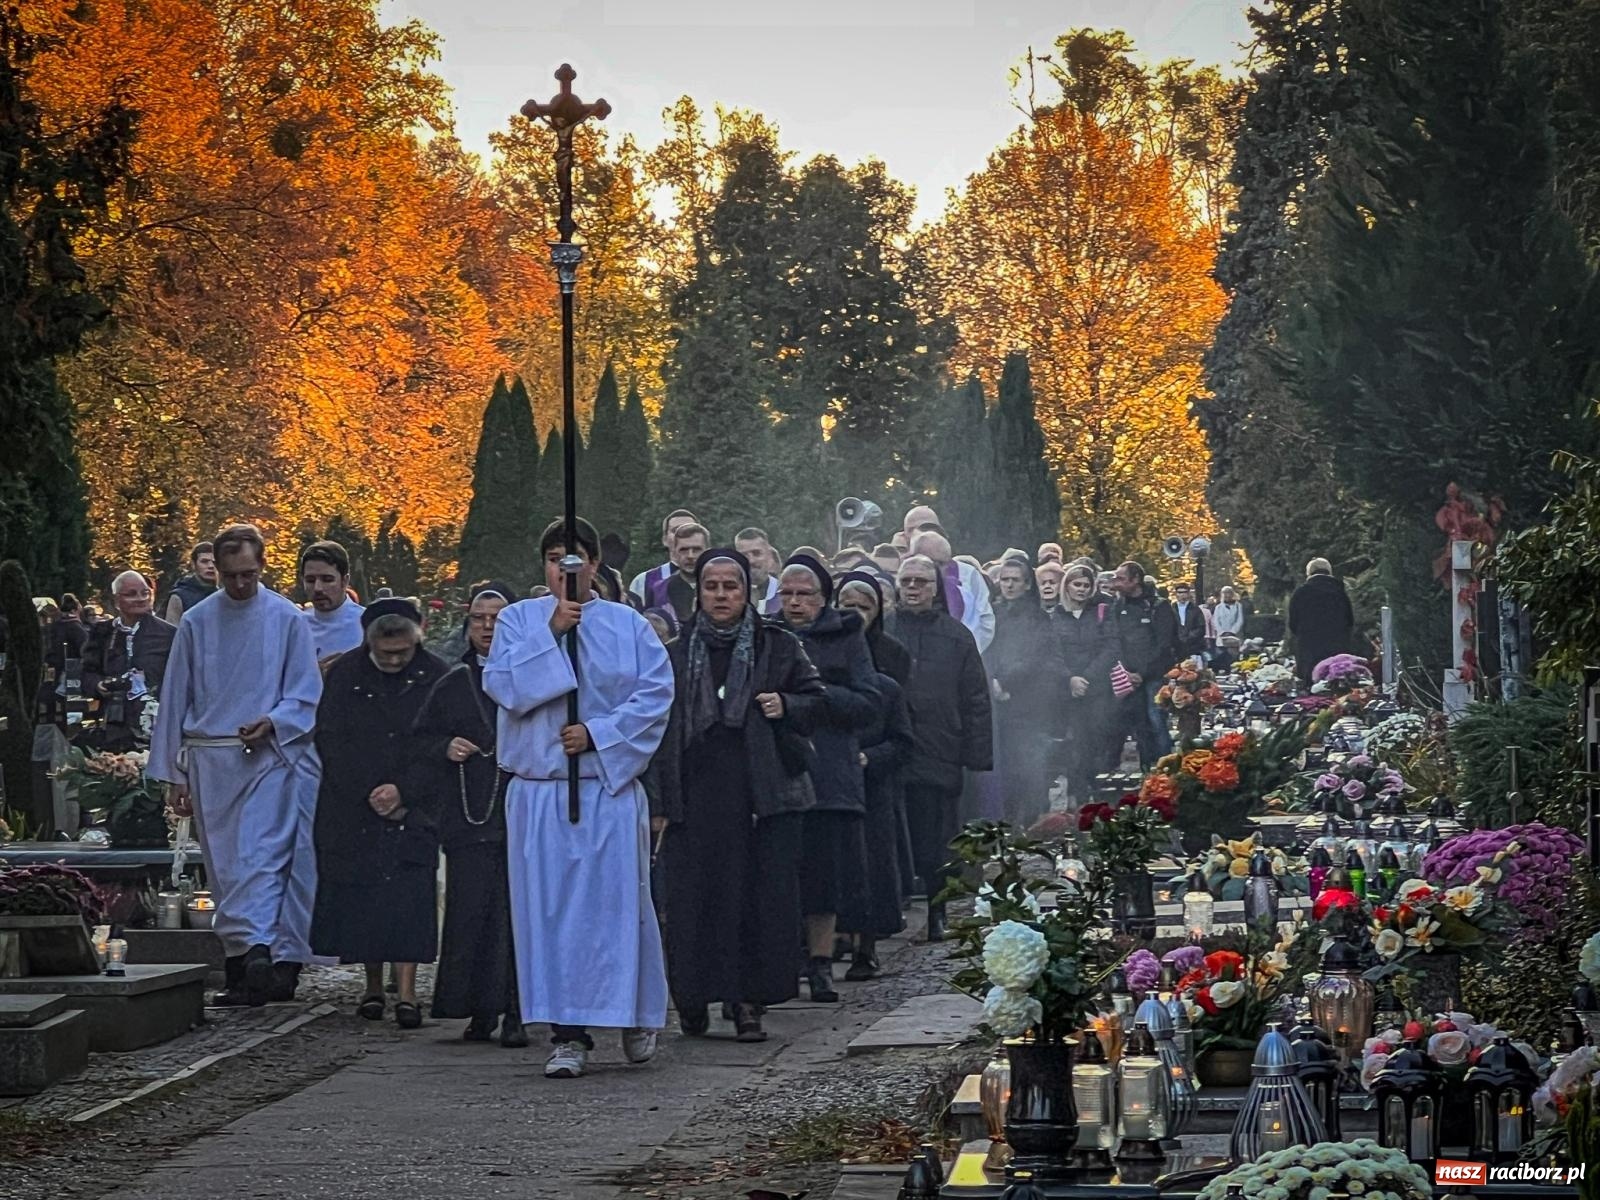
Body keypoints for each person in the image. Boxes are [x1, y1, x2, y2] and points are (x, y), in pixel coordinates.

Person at [483, 517, 673, 1080]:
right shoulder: (519, 620)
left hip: (604, 790)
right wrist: (552, 633)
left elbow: (654, 697)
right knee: (550, 915)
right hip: (541, 794)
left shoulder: (627, 625)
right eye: (554, 559)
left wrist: (599, 734)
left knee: (617, 910)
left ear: (594, 565)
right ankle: (568, 1033)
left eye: (576, 559)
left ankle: (636, 1013)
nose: (565, 569)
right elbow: (505, 687)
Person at [653, 549, 824, 1042]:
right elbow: (659, 732)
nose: (722, 595)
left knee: (755, 901)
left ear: (747, 591)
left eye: (731, 586)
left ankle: (748, 1002)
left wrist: (785, 703)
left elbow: (818, 702)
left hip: (761, 792)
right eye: (712, 587)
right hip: (696, 795)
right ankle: (693, 998)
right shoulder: (676, 653)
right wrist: (659, 804)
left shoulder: (779, 646)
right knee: (695, 903)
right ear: (699, 593)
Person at [149, 524, 322, 1006]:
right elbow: (176, 694)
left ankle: (263, 952)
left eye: (248, 574)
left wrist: (274, 720)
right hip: (211, 758)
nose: (240, 585)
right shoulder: (198, 621)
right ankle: (244, 964)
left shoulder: (287, 618)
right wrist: (174, 773)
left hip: (268, 757)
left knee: (261, 859)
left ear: (263, 566)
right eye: (230, 576)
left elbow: (305, 689)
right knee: (225, 868)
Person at [311, 599, 447, 1029]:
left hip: (414, 803)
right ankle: (371, 986)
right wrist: (369, 790)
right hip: (354, 802)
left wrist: (405, 791)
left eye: (402, 653)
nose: (393, 660)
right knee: (364, 897)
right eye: (384, 653)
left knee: (409, 898)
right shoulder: (346, 675)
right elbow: (331, 739)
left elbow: (442, 741)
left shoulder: (438, 676)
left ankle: (407, 992)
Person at [411, 581, 525, 1046]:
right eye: (478, 619)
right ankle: (478, 1008)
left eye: (496, 619)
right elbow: (419, 740)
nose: (486, 628)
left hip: (519, 809)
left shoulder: (530, 676)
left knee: (517, 917)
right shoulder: (454, 681)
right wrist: (445, 746)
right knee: (473, 914)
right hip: (469, 813)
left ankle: (519, 1009)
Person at [776, 556, 878, 1004]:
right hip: (779, 770)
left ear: (822, 598)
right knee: (782, 874)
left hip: (830, 770)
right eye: (787, 594)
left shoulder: (846, 634)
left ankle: (820, 963)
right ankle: (784, 960)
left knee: (824, 877)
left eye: (804, 595)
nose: (795, 603)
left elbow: (869, 701)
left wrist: (813, 697)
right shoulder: (766, 634)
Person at [888, 555, 991, 942]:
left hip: (939, 747)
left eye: (921, 581)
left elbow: (975, 697)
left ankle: (937, 910)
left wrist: (977, 755)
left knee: (938, 839)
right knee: (895, 836)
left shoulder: (956, 636)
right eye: (907, 580)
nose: (913, 588)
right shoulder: (883, 630)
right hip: (892, 751)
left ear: (934, 588)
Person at [833, 573, 915, 977]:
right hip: (829, 777)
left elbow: (903, 738)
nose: (854, 614)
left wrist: (870, 757)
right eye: (846, 604)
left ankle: (866, 943)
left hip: (873, 782)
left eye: (863, 606)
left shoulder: (889, 672)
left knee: (870, 864)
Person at [988, 557, 1061, 827]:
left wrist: (1005, 682)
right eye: (1004, 579)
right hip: (998, 700)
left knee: (1029, 764)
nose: (1008, 585)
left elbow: (1034, 656)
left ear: (1026, 584)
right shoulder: (994, 611)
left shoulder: (1037, 616)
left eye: (1014, 580)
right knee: (1005, 764)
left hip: (1027, 702)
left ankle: (1029, 822)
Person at [83, 570, 176, 749]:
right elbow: (87, 672)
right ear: (117, 601)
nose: (140, 599)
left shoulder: (169, 634)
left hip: (158, 724)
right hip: (114, 725)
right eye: (131, 594)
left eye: (145, 593)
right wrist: (99, 685)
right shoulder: (102, 633)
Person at [1054, 563, 1120, 801]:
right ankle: (1076, 794)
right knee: (1074, 743)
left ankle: (1096, 791)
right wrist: (1069, 678)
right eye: (1076, 584)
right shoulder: (1055, 616)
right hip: (1067, 689)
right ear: (1067, 586)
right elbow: (1052, 652)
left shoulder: (1102, 611)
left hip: (1097, 687)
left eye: (1086, 585)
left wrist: (1088, 677)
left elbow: (1111, 647)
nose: (1081, 590)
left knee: (1096, 740)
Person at [1109, 560, 1179, 769]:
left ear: (1135, 580)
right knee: (1138, 724)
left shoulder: (1159, 607)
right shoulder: (1118, 606)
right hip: (1128, 676)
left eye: (1121, 578)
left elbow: (1164, 644)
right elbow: (1115, 639)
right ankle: (1146, 768)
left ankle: (1166, 767)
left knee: (1156, 720)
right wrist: (1125, 671)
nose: (1116, 583)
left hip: (1154, 675)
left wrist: (1142, 673)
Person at [906, 527, 996, 654]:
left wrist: (964, 652)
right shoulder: (902, 585)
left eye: (943, 563)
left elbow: (984, 623)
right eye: (933, 562)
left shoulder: (966, 585)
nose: (939, 569)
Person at [1288, 557, 1355, 686]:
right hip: (1337, 645)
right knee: (1335, 682)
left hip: (1309, 647)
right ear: (1329, 572)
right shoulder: (1340, 593)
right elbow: (1349, 621)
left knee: (1311, 684)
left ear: (1309, 574)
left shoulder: (1300, 593)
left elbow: (1293, 623)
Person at [299, 541, 365, 661]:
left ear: (344, 581)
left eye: (327, 579)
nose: (318, 588)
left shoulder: (366, 624)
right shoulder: (296, 625)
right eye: (310, 580)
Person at [629, 509, 699, 606]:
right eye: (676, 530)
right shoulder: (643, 582)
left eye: (690, 530)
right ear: (665, 540)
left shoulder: (716, 578)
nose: (684, 534)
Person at [660, 523, 711, 623]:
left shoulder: (724, 587)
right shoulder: (659, 590)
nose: (690, 556)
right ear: (674, 553)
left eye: (696, 550)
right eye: (684, 550)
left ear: (708, 552)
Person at [162, 543, 218, 624]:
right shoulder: (179, 597)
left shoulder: (225, 594)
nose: (211, 566)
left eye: (214, 562)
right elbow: (172, 632)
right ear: (193, 564)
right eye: (204, 561)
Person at [734, 526, 782, 615]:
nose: (751, 561)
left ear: (769, 555)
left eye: (756, 553)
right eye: (744, 555)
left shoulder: (784, 593)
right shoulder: (730, 594)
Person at [1172, 581, 1209, 664]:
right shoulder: (1171, 609)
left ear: (1188, 594)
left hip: (1194, 647)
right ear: (1176, 594)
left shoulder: (1195, 609)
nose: (1182, 595)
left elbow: (1201, 628)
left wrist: (1189, 637)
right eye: (1180, 592)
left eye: (1184, 592)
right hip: (1176, 648)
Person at [1211, 585, 1247, 670]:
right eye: (1225, 593)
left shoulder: (1238, 606)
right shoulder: (1218, 607)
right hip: (1222, 637)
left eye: (1229, 593)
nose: (1227, 595)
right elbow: (1215, 621)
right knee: (1222, 657)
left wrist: (1232, 631)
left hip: (1235, 637)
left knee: (1234, 658)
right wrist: (1222, 632)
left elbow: (1240, 620)